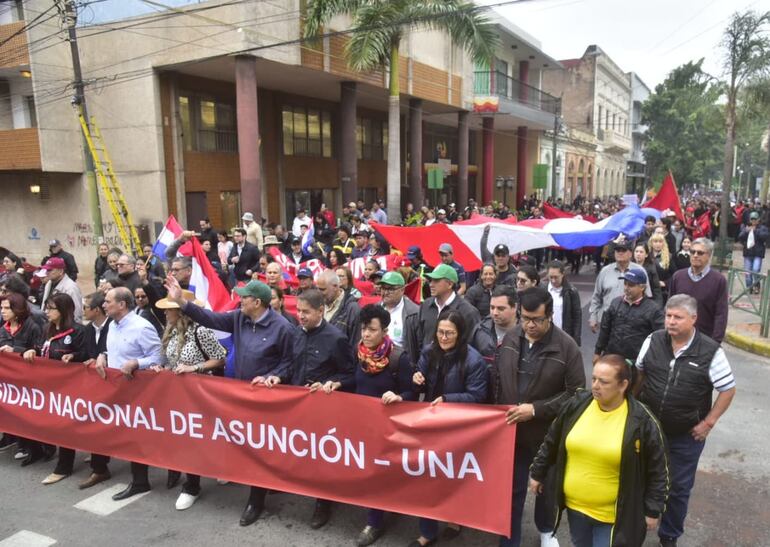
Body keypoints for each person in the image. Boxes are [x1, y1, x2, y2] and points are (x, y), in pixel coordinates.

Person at [165, 277, 294, 525]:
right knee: (237, 441)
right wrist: (181, 300)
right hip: (238, 395)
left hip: (266, 400)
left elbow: (289, 362)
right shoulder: (238, 317)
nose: (239, 300)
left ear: (257, 302)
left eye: (244, 297)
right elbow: (210, 318)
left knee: (259, 449)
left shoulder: (282, 328)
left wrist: (273, 377)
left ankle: (255, 501)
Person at [529, 355, 669, 547]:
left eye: (603, 382)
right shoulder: (577, 405)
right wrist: (538, 472)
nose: (595, 385)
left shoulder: (642, 421)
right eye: (594, 378)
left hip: (613, 518)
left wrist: (653, 509)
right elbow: (552, 440)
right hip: (575, 509)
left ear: (623, 385)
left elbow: (659, 469)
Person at [635, 294, 736, 547]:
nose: (670, 321)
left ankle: (669, 536)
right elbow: (639, 374)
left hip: (685, 436)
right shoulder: (653, 340)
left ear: (693, 319)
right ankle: (635, 525)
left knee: (678, 488)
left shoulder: (710, 350)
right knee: (640, 478)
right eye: (668, 316)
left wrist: (708, 423)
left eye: (677, 317)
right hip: (649, 430)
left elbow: (728, 389)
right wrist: (631, 410)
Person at [492, 287, 586, 547]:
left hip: (547, 434)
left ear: (550, 316)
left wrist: (535, 409)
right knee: (511, 489)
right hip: (510, 430)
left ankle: (546, 530)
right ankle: (509, 539)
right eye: (525, 318)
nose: (530, 325)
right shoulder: (511, 337)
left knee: (544, 486)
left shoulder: (567, 348)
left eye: (537, 320)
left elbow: (577, 393)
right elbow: (498, 378)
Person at [258, 289, 355, 530]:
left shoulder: (336, 338)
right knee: (293, 448)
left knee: (322, 459)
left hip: (324, 411)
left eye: (306, 312)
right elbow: (288, 364)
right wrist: (276, 377)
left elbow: (350, 374)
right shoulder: (295, 334)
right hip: (296, 407)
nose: (301, 316)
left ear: (320, 311)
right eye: (299, 311)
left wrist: (333, 383)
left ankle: (324, 501)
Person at [399, 309, 488, 546]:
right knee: (426, 475)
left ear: (460, 335)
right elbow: (418, 385)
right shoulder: (429, 351)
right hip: (430, 421)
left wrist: (449, 399)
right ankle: (427, 531)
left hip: (457, 425)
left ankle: (454, 518)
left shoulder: (473, 360)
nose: (444, 337)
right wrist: (417, 378)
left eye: (450, 333)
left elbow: (478, 396)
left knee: (452, 476)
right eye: (440, 332)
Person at [153, 289, 226, 510]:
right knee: (187, 438)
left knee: (201, 437)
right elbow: (171, 361)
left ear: (180, 311)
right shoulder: (171, 331)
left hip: (202, 395)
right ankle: (194, 481)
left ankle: (193, 485)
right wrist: (163, 368)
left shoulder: (200, 332)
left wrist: (194, 368)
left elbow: (220, 359)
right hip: (179, 395)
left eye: (169, 310)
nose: (165, 314)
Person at [93, 287, 162, 501]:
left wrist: (137, 362)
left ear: (122, 304)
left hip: (139, 390)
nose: (104, 305)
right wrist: (103, 355)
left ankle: (140, 481)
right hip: (117, 390)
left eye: (108, 301)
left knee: (137, 436)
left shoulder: (141, 327)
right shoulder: (113, 325)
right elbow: (114, 350)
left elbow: (159, 356)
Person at [353, 305, 413, 546]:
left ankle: (374, 522)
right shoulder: (357, 353)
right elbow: (352, 380)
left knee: (378, 473)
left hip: (389, 427)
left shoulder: (399, 358)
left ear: (385, 331)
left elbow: (412, 391)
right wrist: (334, 383)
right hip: (362, 424)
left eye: (372, 330)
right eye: (364, 329)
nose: (366, 334)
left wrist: (399, 397)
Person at [22, 293, 88, 483]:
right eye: (47, 307)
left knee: (65, 426)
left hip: (70, 389)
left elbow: (85, 354)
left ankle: (64, 466)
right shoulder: (46, 329)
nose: (46, 312)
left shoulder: (78, 331)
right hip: (48, 387)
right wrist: (31, 350)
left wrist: (74, 357)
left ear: (63, 310)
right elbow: (39, 347)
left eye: (51, 308)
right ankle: (47, 450)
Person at [77, 291, 113, 489]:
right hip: (96, 386)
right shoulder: (88, 330)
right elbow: (85, 352)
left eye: (86, 307)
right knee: (96, 421)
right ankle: (99, 468)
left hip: (117, 384)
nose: (82, 311)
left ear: (97, 310)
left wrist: (103, 355)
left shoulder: (113, 327)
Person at [0, 292, 42, 455]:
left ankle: (33, 447)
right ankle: (16, 441)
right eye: (1, 308)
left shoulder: (32, 327)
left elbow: (38, 351)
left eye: (6, 308)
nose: (2, 312)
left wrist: (16, 351)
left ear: (17, 310)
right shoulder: (3, 329)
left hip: (28, 381)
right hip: (9, 382)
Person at [413, 264, 480, 366]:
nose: (431, 284)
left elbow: (472, 345)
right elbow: (420, 338)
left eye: (436, 280)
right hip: (427, 369)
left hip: (455, 370)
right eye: (430, 280)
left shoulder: (468, 311)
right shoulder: (425, 305)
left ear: (449, 284)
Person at [594, 269, 664, 365]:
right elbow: (605, 329)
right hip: (612, 358)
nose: (626, 288)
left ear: (642, 287)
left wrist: (650, 361)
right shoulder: (615, 303)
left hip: (636, 362)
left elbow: (660, 337)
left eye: (631, 285)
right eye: (625, 284)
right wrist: (597, 352)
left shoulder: (653, 309)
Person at [668, 238, 728, 343]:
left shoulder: (719, 280)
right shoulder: (678, 277)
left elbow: (721, 314)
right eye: (692, 252)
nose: (695, 255)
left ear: (709, 255)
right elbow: (669, 307)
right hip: (678, 338)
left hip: (704, 340)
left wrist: (715, 342)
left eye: (700, 253)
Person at [589, 242, 649, 333]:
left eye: (623, 250)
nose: (620, 253)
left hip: (632, 322)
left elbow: (647, 297)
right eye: (617, 250)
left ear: (630, 253)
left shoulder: (639, 271)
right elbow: (596, 296)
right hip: (607, 321)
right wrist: (593, 316)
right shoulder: (605, 271)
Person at [470, 284, 518, 362]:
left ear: (514, 307)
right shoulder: (480, 331)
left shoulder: (527, 332)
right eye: (492, 307)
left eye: (501, 308)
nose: (495, 313)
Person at [377, 271, 418, 360]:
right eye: (383, 288)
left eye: (391, 289)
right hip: (374, 363)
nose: (385, 292)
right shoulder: (374, 309)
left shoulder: (414, 313)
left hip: (400, 365)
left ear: (402, 290)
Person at [316, 269, 361, 345]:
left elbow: (355, 344)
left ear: (335, 287)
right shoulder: (316, 304)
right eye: (317, 289)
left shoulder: (352, 309)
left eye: (322, 289)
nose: (319, 293)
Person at [37, 257, 83, 324]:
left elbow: (76, 314)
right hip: (51, 326)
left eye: (50, 270)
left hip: (65, 328)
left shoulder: (71, 287)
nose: (47, 272)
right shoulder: (49, 283)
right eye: (46, 270)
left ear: (61, 271)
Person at [545, 260, 581, 346]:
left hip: (564, 336)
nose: (553, 280)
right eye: (550, 277)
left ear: (563, 274)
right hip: (545, 335)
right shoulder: (542, 289)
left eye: (556, 277)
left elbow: (577, 317)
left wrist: (576, 340)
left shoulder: (571, 292)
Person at [737, 211, 769, 293]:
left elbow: (765, 237)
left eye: (755, 219)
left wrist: (755, 231)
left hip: (758, 253)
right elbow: (740, 237)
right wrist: (746, 231)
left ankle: (756, 286)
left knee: (755, 270)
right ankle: (749, 288)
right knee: (748, 273)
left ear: (758, 220)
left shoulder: (763, 228)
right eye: (752, 219)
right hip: (748, 253)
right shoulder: (746, 227)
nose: (753, 221)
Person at [649, 234, 675, 302]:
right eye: (655, 241)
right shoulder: (647, 256)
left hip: (662, 292)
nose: (658, 244)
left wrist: (665, 283)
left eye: (660, 242)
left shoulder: (669, 257)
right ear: (651, 243)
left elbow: (675, 275)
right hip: (648, 291)